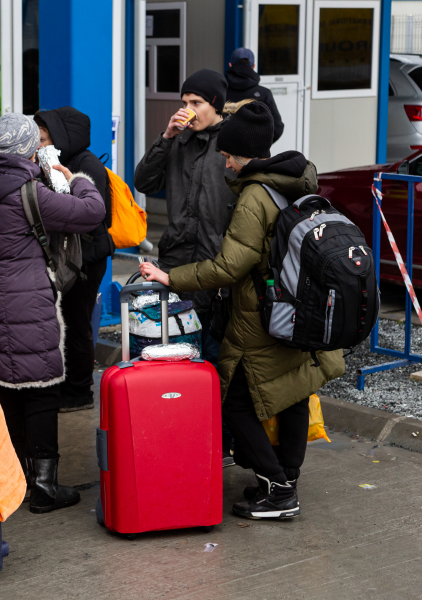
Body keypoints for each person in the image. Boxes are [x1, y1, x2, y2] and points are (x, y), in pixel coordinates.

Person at [140, 101, 345, 519]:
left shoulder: (254, 196)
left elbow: (231, 265)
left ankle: (279, 490)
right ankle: (285, 477)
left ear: (244, 152)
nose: (225, 160)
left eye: (228, 153)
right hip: (297, 308)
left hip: (262, 313)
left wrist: (169, 278)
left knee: (233, 400)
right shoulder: (295, 180)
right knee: (293, 389)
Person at [0, 113, 105, 514]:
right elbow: (91, 212)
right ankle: (44, 485)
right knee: (41, 385)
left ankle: (17, 478)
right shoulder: (32, 193)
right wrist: (72, 177)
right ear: (28, 149)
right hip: (25, 298)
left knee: (6, 383)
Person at [133, 69, 236, 465]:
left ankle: (218, 440)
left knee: (212, 353)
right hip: (175, 260)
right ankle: (178, 433)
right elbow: (144, 179)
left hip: (215, 264)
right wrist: (166, 139)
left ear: (216, 106)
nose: (188, 110)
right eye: (185, 102)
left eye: (197, 103)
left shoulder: (230, 144)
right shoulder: (179, 140)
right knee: (174, 353)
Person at [34, 107, 113, 412]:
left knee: (77, 322)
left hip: (87, 258)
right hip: (73, 256)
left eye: (43, 138)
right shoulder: (61, 160)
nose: (39, 145)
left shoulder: (86, 164)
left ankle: (80, 391)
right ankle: (68, 385)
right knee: (67, 319)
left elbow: (91, 215)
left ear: (61, 137)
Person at [226, 48, 285, 144]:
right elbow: (277, 127)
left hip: (223, 154)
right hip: (254, 155)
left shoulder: (220, 91)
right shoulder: (264, 93)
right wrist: (259, 147)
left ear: (230, 65)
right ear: (253, 66)